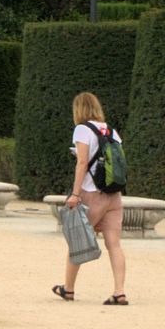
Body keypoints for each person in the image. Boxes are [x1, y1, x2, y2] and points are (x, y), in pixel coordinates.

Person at [56, 90, 130, 305]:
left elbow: (82, 163)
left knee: (76, 240)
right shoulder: (112, 131)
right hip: (113, 194)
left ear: (78, 109)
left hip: (91, 192)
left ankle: (69, 289)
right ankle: (119, 292)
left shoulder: (82, 129)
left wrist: (75, 193)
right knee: (114, 245)